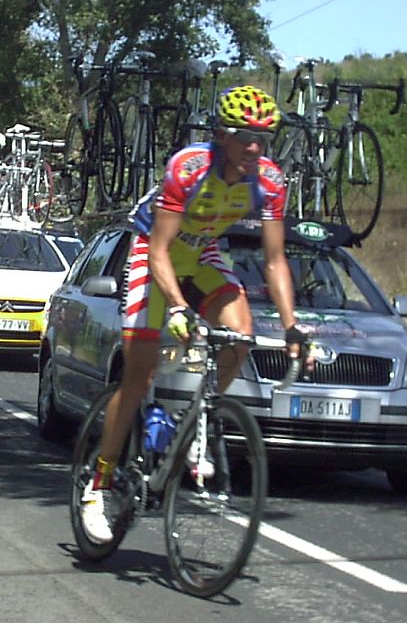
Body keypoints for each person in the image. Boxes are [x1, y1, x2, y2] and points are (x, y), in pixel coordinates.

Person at [79, 85, 310, 545]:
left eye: (263, 139)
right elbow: (159, 250)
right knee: (140, 375)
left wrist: (291, 325)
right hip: (154, 251)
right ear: (221, 135)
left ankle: (192, 423)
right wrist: (179, 308)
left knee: (241, 336)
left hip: (203, 251)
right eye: (245, 137)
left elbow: (274, 260)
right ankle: (99, 483)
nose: (255, 148)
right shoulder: (189, 167)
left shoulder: (269, 181)